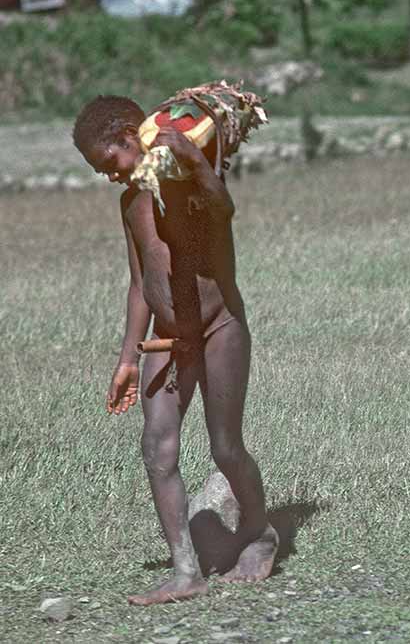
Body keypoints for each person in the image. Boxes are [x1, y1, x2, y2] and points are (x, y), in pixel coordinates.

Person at [73, 95, 278, 604]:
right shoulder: (130, 204)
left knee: (225, 447)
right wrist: (127, 359)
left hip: (219, 328)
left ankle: (259, 533)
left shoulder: (190, 181)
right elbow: (139, 284)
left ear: (131, 137)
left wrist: (193, 161)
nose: (110, 176)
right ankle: (186, 570)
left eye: (110, 163)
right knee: (157, 448)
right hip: (168, 339)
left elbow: (224, 210)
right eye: (100, 172)